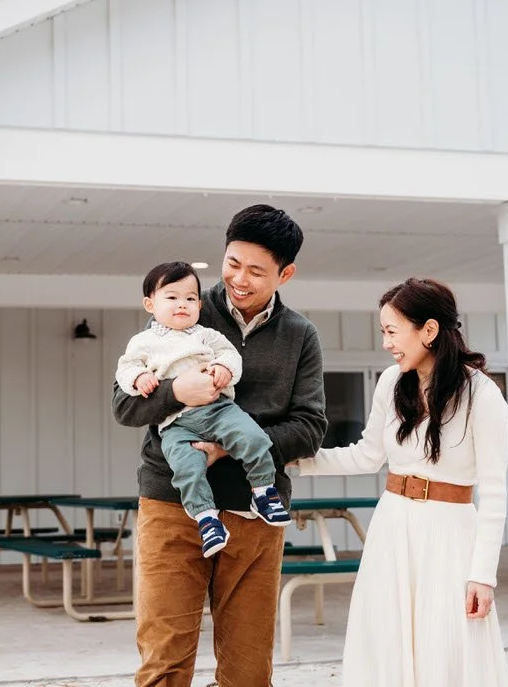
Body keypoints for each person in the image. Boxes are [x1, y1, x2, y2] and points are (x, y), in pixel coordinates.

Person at [112, 204, 327, 687]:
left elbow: (311, 428)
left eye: (256, 270)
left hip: (256, 516)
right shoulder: (183, 305)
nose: (239, 279)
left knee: (249, 673)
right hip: (173, 507)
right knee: (164, 662)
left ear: (285, 273)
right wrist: (174, 393)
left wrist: (229, 447)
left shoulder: (300, 335)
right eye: (233, 263)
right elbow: (125, 408)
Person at [294, 277, 508, 687]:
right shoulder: (390, 382)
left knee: (446, 643)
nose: (386, 343)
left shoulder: (482, 395)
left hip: (450, 534)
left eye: (392, 331)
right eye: (384, 332)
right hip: (393, 527)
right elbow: (367, 454)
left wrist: (483, 574)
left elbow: (495, 491)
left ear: (429, 331)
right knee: (384, 641)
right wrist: (300, 460)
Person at [115, 260, 293, 558]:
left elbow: (229, 355)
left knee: (252, 436)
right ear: (150, 304)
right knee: (186, 468)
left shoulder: (205, 335)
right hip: (176, 423)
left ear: (200, 303)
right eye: (171, 298)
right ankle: (206, 518)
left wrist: (224, 368)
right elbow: (126, 369)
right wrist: (140, 378)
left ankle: (263, 491)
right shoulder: (143, 341)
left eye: (190, 298)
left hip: (219, 409)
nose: (181, 305)